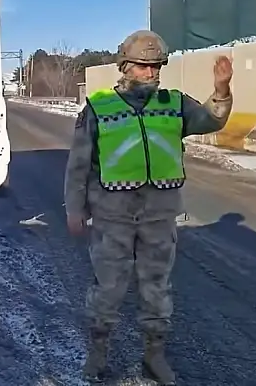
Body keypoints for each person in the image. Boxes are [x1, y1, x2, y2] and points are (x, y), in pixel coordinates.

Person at [64, 30, 234, 384]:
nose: (152, 72)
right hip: (113, 214)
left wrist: (221, 90)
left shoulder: (175, 103)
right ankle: (98, 353)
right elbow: (78, 166)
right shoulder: (98, 108)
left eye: (156, 66)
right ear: (125, 66)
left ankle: (153, 355)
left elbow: (212, 119)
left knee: (157, 287)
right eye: (144, 66)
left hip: (160, 213)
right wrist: (74, 209)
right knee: (109, 287)